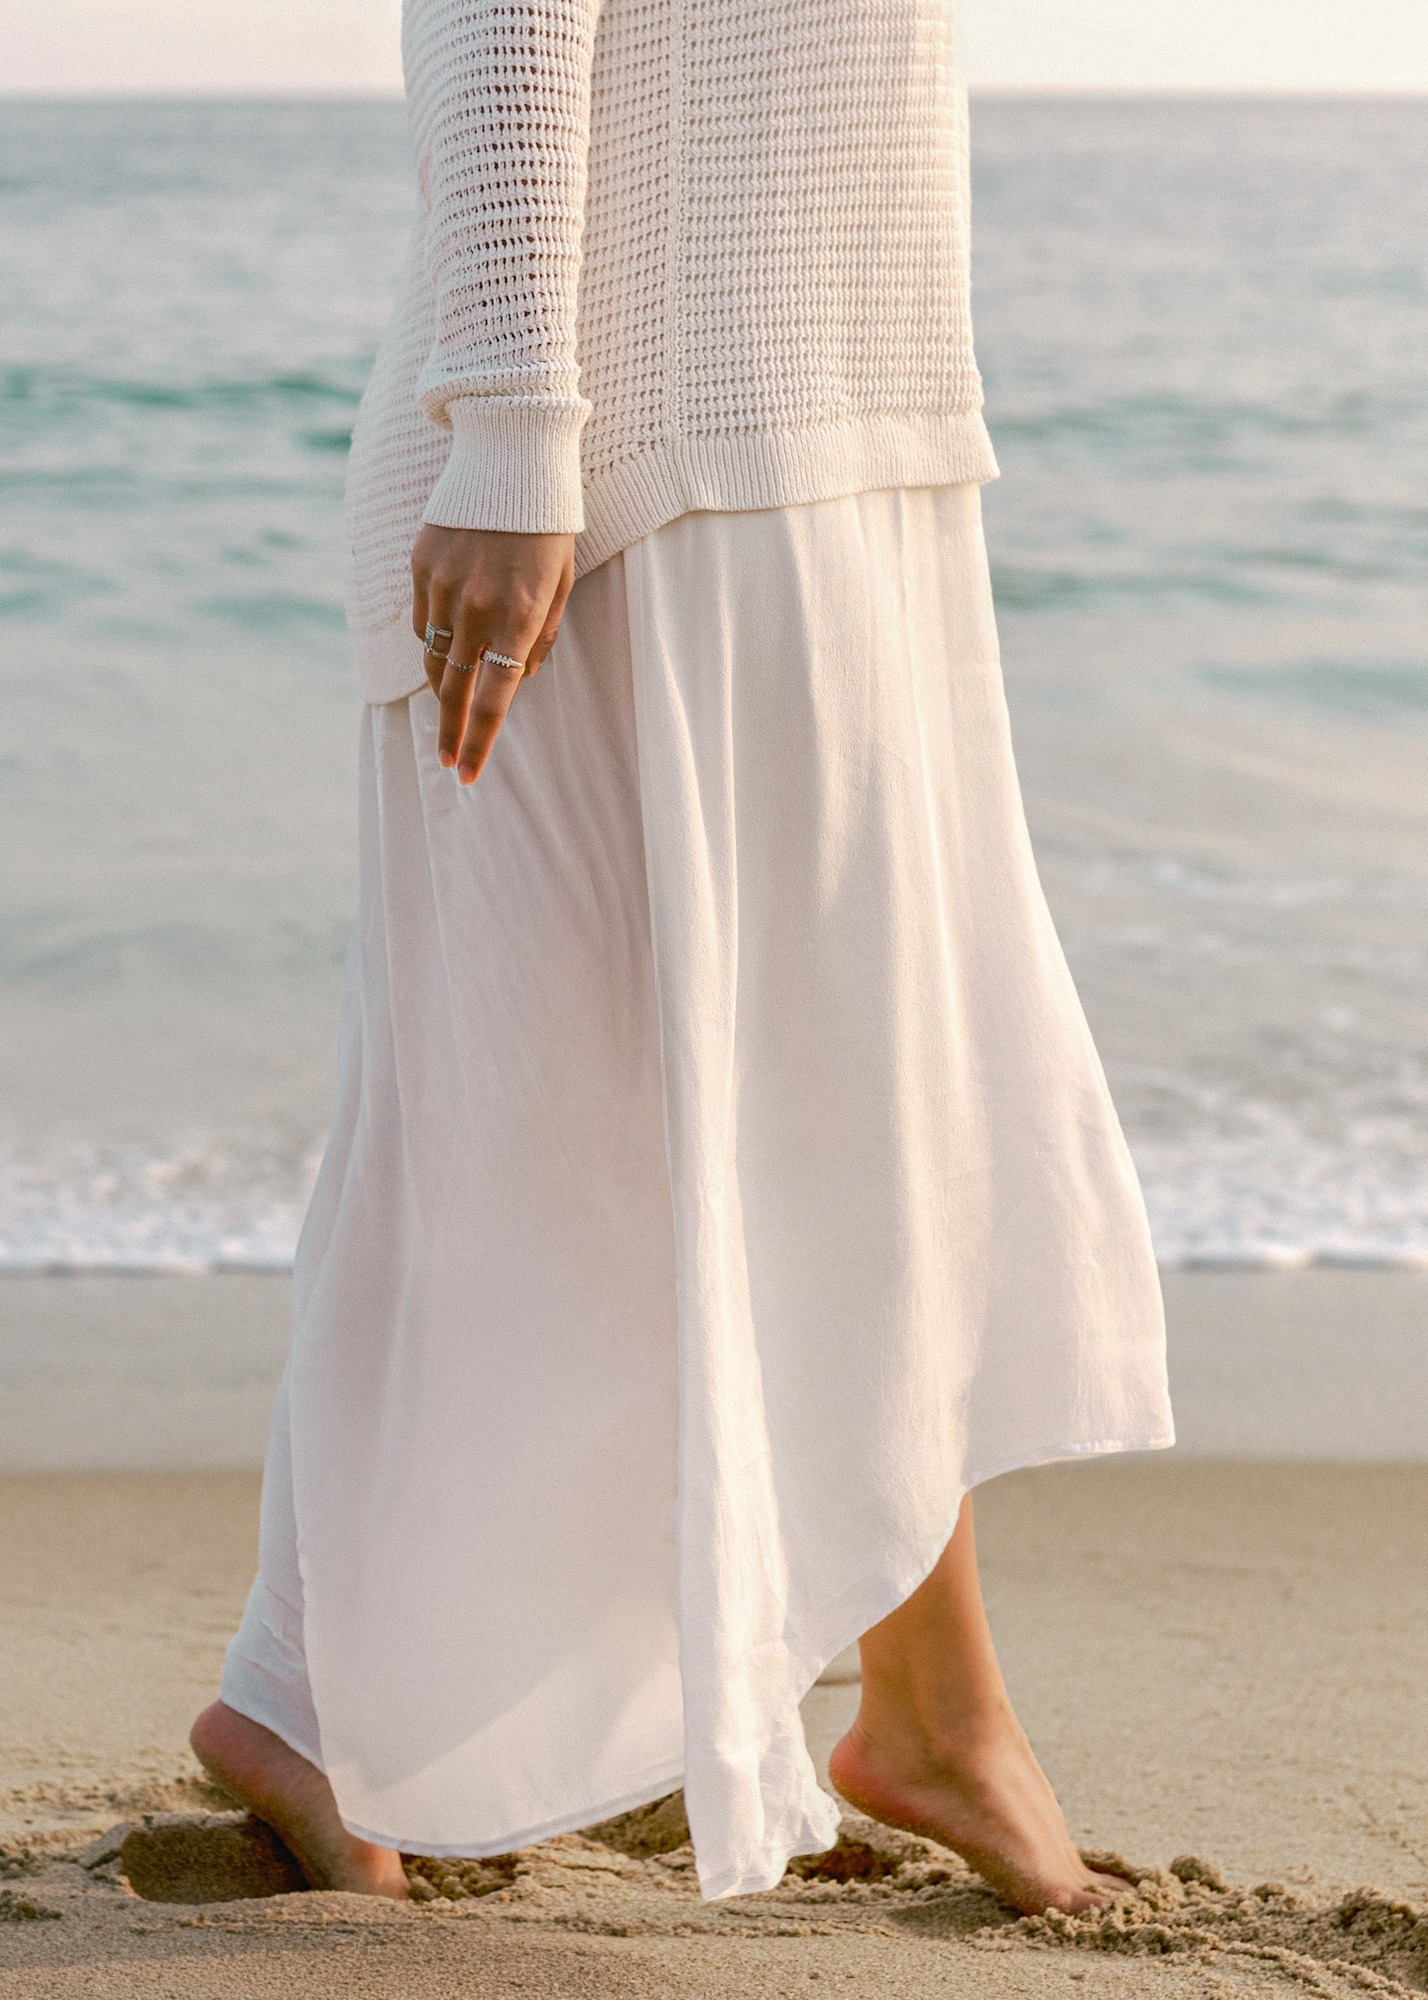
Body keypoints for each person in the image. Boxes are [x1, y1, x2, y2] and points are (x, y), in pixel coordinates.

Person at [191, 0, 1174, 1914]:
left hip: (836, 426)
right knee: (547, 1115)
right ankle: (906, 1708)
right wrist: (512, 425)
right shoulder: (550, 442)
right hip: (630, 463)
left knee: (822, 1081)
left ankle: (917, 1702)